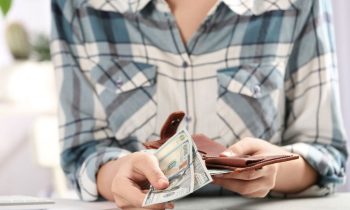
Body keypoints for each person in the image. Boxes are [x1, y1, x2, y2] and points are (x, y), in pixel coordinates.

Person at [51, 0, 348, 209]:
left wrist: (273, 171)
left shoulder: (298, 4)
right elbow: (82, 151)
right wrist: (117, 175)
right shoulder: (77, 7)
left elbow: (327, 152)